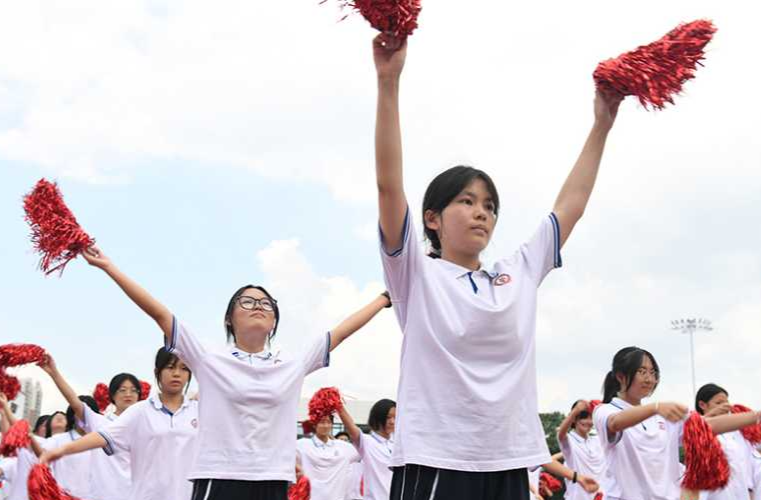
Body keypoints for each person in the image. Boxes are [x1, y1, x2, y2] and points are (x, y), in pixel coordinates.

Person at [372, 30, 622, 500]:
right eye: (466, 201)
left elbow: (571, 205)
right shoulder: (415, 274)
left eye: (489, 204)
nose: (481, 211)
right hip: (434, 460)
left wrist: (602, 124)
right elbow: (389, 187)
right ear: (432, 218)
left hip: (507, 462)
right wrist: (389, 81)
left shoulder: (519, 271)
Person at [76, 244, 391, 500]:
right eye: (247, 301)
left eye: (266, 304)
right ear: (229, 319)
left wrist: (383, 298)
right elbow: (159, 312)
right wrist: (108, 266)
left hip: (272, 480)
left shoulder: (292, 365)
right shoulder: (208, 359)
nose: (258, 305)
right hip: (219, 477)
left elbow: (340, 332)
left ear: (274, 323)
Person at [593, 346, 761, 500]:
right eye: (642, 372)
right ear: (620, 376)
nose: (649, 379)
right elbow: (615, 423)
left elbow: (707, 425)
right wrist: (655, 407)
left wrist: (756, 416)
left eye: (653, 373)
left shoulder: (662, 417)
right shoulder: (605, 411)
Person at [42, 347, 199, 500]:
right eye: (170, 367)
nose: (177, 374)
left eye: (184, 368)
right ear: (157, 372)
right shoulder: (140, 412)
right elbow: (101, 435)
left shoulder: (200, 411)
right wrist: (61, 450)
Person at [695, 383, 755, 500]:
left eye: (726, 402)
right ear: (702, 405)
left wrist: (749, 491)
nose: (725, 406)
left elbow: (745, 465)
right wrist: (711, 415)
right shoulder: (694, 429)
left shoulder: (737, 433)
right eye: (718, 403)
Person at [337, 399, 395, 500]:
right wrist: (337, 405)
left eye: (395, 417)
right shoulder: (367, 442)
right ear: (377, 417)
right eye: (388, 417)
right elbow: (351, 426)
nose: (392, 422)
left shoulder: (397, 444)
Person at [297, 413, 360, 500]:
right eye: (322, 422)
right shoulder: (302, 445)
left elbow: (363, 449)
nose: (326, 426)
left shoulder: (344, 447)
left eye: (329, 422)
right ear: (314, 424)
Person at [556, 400, 605, 499]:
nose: (588, 422)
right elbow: (561, 434)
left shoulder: (598, 441)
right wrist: (575, 411)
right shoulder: (569, 441)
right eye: (584, 418)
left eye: (591, 418)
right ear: (574, 419)